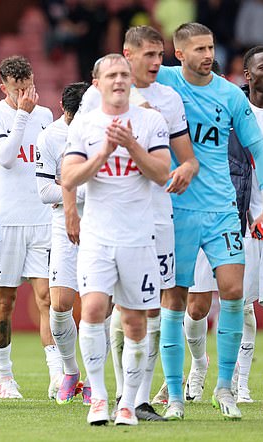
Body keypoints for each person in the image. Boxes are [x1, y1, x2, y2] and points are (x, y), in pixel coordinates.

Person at [155, 23, 263, 421]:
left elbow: (258, 148)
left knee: (232, 291)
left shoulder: (228, 94)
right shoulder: (163, 82)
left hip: (222, 208)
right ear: (179, 54)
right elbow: (112, 82)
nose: (208, 54)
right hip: (176, 210)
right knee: (175, 300)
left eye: (210, 46)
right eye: (199, 49)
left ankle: (225, 388)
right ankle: (175, 394)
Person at [81, 25, 199, 422]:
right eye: (148, 55)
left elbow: (186, 159)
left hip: (156, 217)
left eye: (159, 54)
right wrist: (68, 209)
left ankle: (139, 398)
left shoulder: (168, 99)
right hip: (107, 218)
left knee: (149, 309)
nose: (157, 62)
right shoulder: (92, 101)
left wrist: (187, 168)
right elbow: (75, 152)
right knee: (103, 306)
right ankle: (110, 394)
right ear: (126, 57)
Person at [179, 47, 263, 407]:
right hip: (234, 219)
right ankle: (199, 365)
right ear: (247, 75)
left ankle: (259, 384)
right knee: (203, 307)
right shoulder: (229, 113)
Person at [62, 53, 171, 426]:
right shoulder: (85, 126)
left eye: (124, 74)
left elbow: (161, 174)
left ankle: (128, 402)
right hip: (97, 235)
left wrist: (131, 146)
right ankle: (99, 397)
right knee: (92, 310)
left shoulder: (151, 121)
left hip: (140, 237)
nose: (119, 80)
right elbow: (70, 178)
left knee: (136, 324)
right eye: (111, 75)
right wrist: (105, 152)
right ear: (97, 83)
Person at [0, 56, 57, 399]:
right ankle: (4, 375)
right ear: (4, 87)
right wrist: (22, 115)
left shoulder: (46, 116)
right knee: (5, 302)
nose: (26, 93)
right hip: (7, 220)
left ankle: (59, 375)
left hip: (42, 218)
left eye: (29, 86)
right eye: (18, 88)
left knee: (48, 299)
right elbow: (7, 157)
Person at [35, 81, 89, 404]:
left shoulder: (101, 130)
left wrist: (67, 186)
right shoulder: (50, 137)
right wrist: (79, 190)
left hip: (99, 224)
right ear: (66, 113)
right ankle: (70, 371)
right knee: (60, 305)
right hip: (62, 226)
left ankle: (95, 381)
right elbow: (45, 193)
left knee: (100, 309)